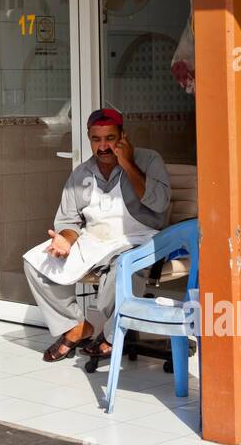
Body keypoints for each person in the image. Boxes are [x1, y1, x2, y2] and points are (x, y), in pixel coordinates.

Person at [22, 108, 171, 363]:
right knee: (36, 262)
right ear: (89, 138)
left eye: (109, 138)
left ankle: (111, 334)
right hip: (94, 240)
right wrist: (65, 239)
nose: (103, 147)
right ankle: (76, 326)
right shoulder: (81, 174)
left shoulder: (149, 160)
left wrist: (127, 163)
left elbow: (159, 204)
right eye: (96, 139)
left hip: (139, 237)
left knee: (123, 266)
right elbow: (69, 221)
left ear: (123, 136)